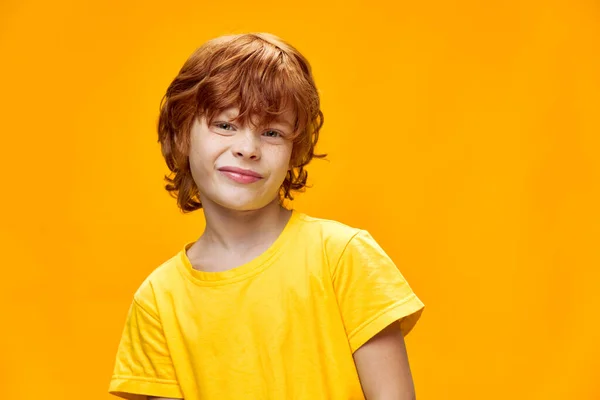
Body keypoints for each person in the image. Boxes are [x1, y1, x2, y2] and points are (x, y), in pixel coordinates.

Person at [108, 32, 425, 400]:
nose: (247, 149)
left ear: (295, 149)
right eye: (225, 125)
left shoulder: (343, 256)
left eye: (271, 132)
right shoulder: (158, 301)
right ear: (182, 134)